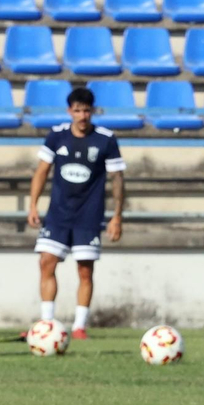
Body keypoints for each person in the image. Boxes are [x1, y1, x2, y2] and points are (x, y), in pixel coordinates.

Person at [26, 87, 124, 339]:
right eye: (77, 110)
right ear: (70, 111)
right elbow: (41, 171)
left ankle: (79, 326)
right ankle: (47, 324)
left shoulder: (106, 139)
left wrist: (116, 216)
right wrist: (33, 204)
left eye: (86, 111)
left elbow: (117, 178)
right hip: (58, 214)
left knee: (85, 270)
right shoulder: (56, 136)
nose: (82, 116)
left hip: (88, 216)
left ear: (93, 111)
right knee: (46, 262)